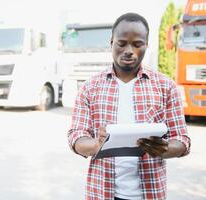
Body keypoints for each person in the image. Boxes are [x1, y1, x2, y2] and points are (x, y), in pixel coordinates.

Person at [67, 13, 191, 200]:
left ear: (146, 45)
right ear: (111, 42)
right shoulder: (90, 87)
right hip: (101, 193)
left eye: (137, 44)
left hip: (150, 194)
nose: (129, 50)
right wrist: (96, 145)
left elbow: (183, 140)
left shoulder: (166, 86)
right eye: (122, 43)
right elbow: (75, 137)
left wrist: (164, 148)